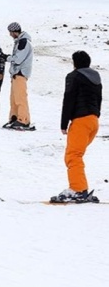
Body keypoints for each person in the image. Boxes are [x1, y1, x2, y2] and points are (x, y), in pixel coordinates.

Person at [53, 50, 102, 202]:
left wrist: (64, 123)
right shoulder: (96, 77)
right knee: (77, 155)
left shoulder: (73, 76)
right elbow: (99, 99)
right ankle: (80, 186)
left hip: (80, 121)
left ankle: (78, 189)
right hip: (93, 121)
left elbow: (68, 99)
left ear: (75, 63)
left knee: (73, 156)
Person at [4, 22, 33, 130]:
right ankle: (14, 117)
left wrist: (7, 58)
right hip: (16, 74)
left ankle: (23, 120)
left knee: (20, 98)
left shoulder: (23, 42)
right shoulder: (19, 41)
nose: (10, 35)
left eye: (11, 32)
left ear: (15, 31)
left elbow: (18, 58)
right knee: (14, 98)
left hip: (20, 73)